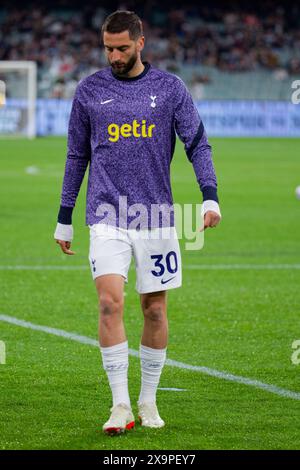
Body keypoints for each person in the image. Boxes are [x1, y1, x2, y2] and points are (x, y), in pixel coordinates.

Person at [54, 10, 221, 436]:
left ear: (140, 42)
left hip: (156, 217)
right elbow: (77, 155)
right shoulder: (89, 90)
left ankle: (148, 400)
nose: (114, 55)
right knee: (110, 302)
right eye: (108, 48)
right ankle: (120, 405)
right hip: (106, 215)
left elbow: (197, 143)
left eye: (122, 48)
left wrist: (210, 196)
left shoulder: (168, 89)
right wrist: (64, 218)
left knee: (155, 308)